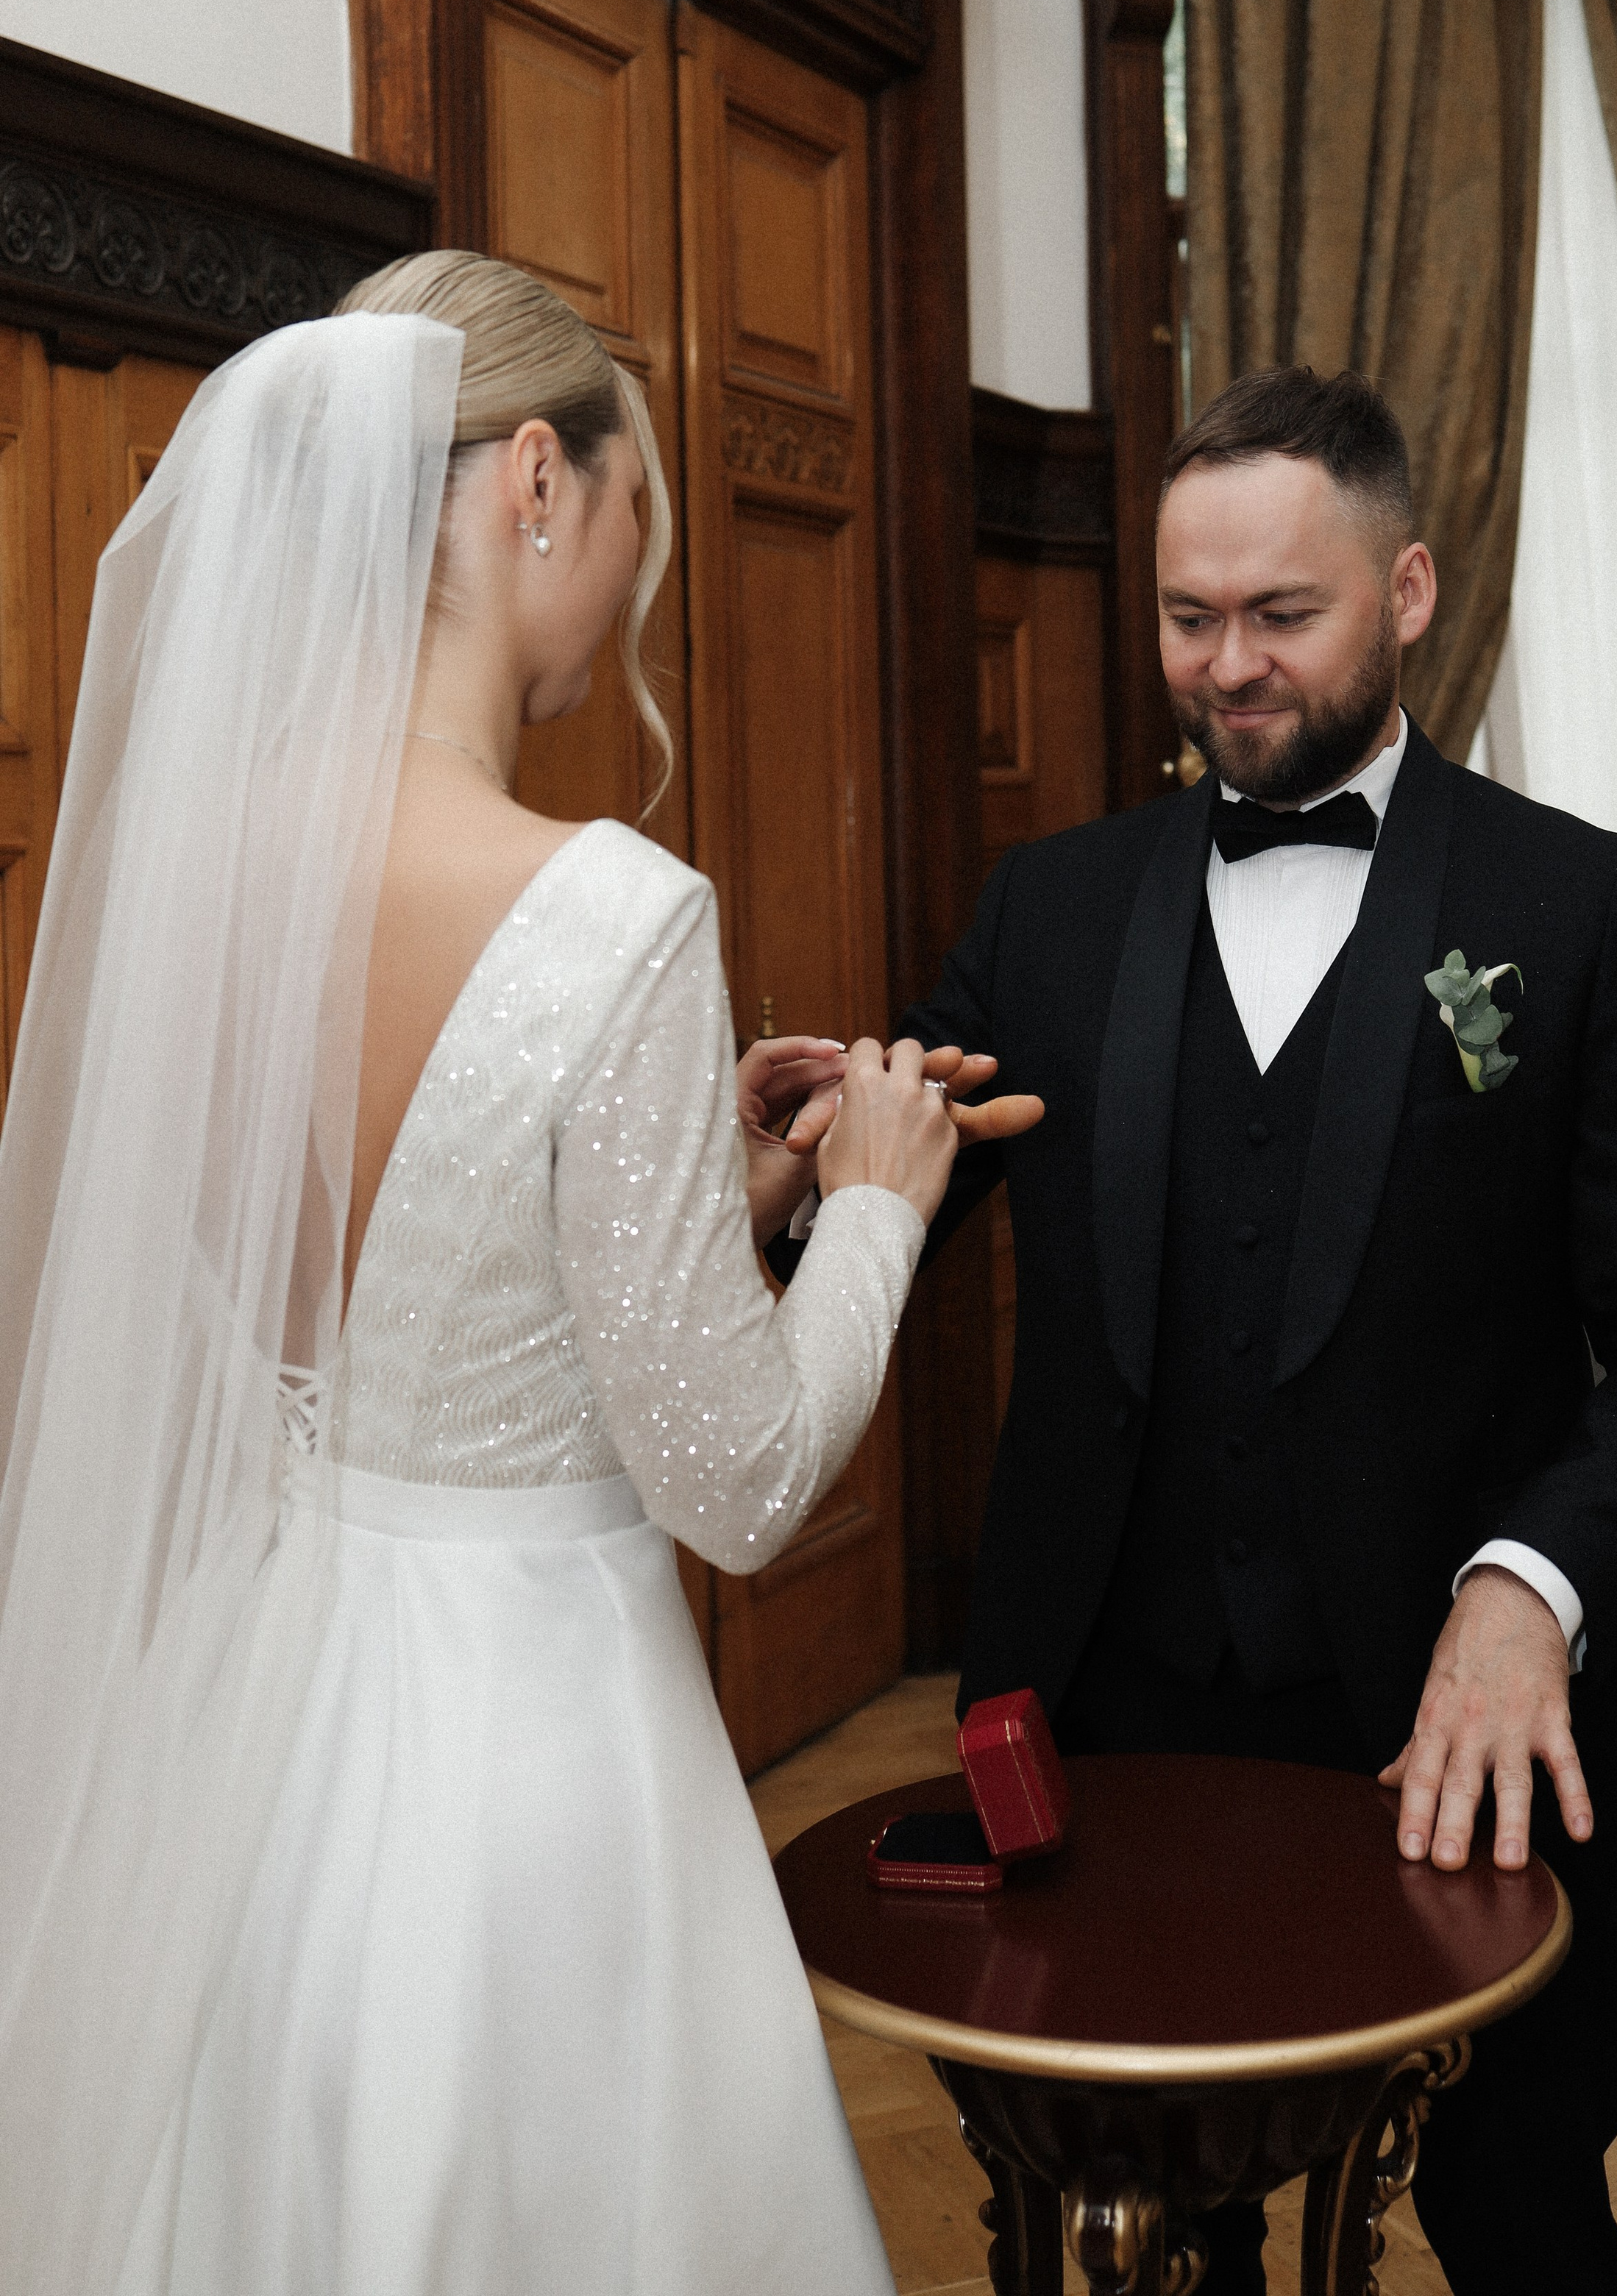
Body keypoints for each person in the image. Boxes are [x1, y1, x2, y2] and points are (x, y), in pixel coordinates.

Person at [0, 251, 1034, 2296]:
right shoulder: (608, 911)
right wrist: (888, 1195)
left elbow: (382, 1288)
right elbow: (734, 1476)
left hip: (267, 1744)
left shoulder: (191, 883)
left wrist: (694, 1190)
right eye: (639, 519)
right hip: (524, 1769)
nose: (636, 594)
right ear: (538, 483)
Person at [883, 365, 1617, 2292]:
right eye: (1189, 617)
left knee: (1525, 2216)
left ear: (1413, 593)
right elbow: (885, 1228)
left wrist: (1533, 1583)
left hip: (1467, 1736)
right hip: (1111, 1729)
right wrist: (796, 1185)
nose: (1229, 667)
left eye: (1283, 615)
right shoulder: (1043, 911)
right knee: (1142, 2232)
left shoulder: (1584, 908)